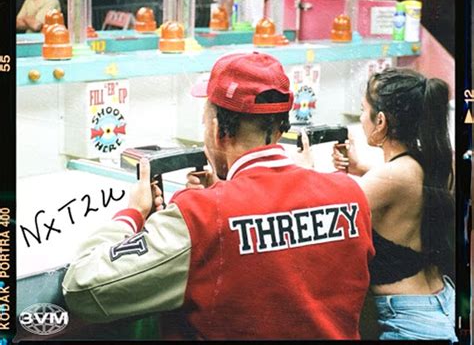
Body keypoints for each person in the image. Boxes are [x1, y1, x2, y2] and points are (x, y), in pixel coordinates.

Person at [62, 52, 374, 340]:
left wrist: (132, 214)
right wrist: (222, 193)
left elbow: (82, 287)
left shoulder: (201, 214)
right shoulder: (351, 193)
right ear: (281, 129)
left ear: (216, 129)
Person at [330, 67, 456, 341]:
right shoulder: (437, 162)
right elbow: (407, 186)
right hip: (441, 304)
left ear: (381, 121)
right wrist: (360, 169)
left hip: (410, 322)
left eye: (363, 111)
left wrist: (303, 168)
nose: (360, 118)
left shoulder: (389, 179)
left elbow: (330, 216)